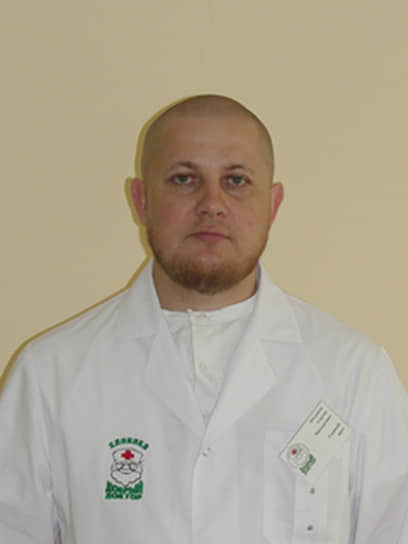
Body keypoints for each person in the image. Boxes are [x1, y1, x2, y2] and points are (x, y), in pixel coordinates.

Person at [0, 94, 407, 544]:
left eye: (236, 180)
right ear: (141, 200)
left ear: (272, 205)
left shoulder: (355, 374)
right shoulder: (50, 375)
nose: (212, 203)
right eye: (183, 179)